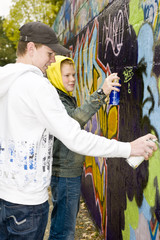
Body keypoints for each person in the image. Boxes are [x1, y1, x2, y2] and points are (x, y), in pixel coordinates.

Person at [0, 21, 157, 240]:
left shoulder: (6, 80)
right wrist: (129, 148)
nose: (53, 60)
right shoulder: (37, 86)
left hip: (5, 196)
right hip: (27, 205)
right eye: (49, 53)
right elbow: (74, 137)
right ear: (31, 48)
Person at [46, 55, 121, 239]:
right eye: (67, 75)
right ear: (56, 75)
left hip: (67, 170)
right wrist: (102, 92)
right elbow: (74, 120)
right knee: (64, 230)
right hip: (65, 172)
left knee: (63, 225)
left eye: (74, 75)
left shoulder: (62, 96)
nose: (72, 79)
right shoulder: (58, 99)